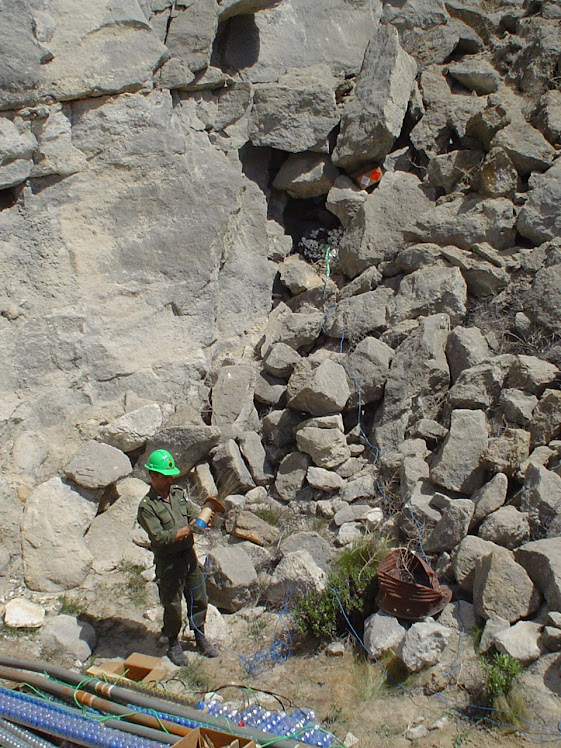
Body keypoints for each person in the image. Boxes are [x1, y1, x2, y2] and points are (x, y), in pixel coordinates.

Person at [137, 448, 219, 664]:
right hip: (169, 563)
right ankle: (173, 643)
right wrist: (188, 530)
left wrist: (202, 520)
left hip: (188, 557)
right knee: (172, 604)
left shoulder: (177, 494)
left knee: (198, 596)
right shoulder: (147, 507)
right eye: (165, 476)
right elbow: (159, 537)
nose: (170, 478)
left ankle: (199, 636)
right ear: (153, 476)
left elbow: (192, 513)